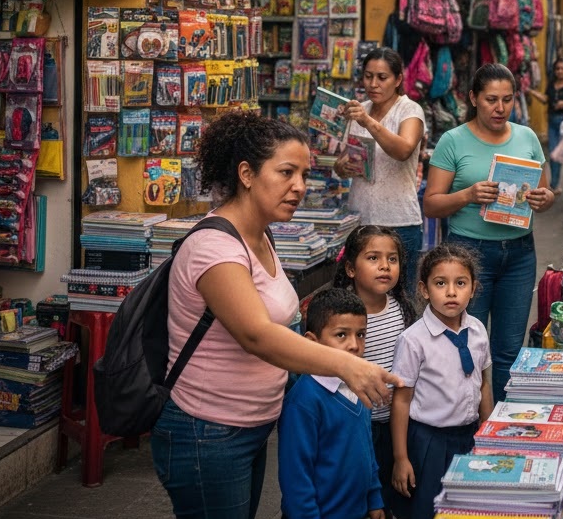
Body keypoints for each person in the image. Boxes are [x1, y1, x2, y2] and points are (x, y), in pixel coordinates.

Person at [152, 112, 399, 519]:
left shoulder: (260, 235)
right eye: (286, 172)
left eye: (304, 174)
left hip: (247, 427)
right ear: (246, 174)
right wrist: (346, 365)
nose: (299, 187)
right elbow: (257, 335)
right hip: (208, 430)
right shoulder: (215, 248)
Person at [423, 63, 555, 401]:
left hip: (519, 253)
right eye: (491, 99)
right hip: (468, 254)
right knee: (467, 346)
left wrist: (544, 198)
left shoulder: (526, 138)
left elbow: (545, 191)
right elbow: (432, 204)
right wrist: (468, 195)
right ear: (474, 98)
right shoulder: (453, 141)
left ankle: (502, 426)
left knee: (510, 349)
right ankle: (465, 425)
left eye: (508, 100)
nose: (500, 108)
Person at [390, 243, 493, 519]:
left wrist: (488, 433)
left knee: (466, 508)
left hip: (470, 436)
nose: (451, 292)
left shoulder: (478, 330)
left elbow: (483, 383)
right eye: (440, 283)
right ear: (424, 290)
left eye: (460, 283)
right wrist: (401, 458)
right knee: (428, 509)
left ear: (473, 288)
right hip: (429, 442)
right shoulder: (413, 340)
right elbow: (401, 400)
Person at [333, 224, 419, 515]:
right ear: (350, 269)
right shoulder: (341, 317)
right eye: (373, 258)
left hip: (396, 423)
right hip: (356, 426)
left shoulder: (402, 309)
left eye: (392, 259)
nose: (384, 266)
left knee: (391, 492)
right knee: (359, 496)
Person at [278, 287, 384, 519]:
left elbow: (367, 449)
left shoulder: (360, 387)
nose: (355, 345)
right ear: (312, 342)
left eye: (361, 334)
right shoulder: (304, 402)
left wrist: (374, 498)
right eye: (341, 335)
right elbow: (296, 478)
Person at [336, 47, 426, 278]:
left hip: (399, 222)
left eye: (382, 77)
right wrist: (342, 166)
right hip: (360, 220)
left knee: (400, 299)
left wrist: (368, 122)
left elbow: (403, 149)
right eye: (368, 76)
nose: (373, 83)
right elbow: (341, 160)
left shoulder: (409, 110)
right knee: (362, 296)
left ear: (398, 80)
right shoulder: (360, 110)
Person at [527, 57, 563, 193]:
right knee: (553, 154)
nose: (559, 71)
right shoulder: (551, 84)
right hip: (552, 121)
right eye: (557, 69)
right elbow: (546, 99)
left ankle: (556, 185)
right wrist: (531, 92)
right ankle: (554, 185)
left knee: (560, 154)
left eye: (562, 68)